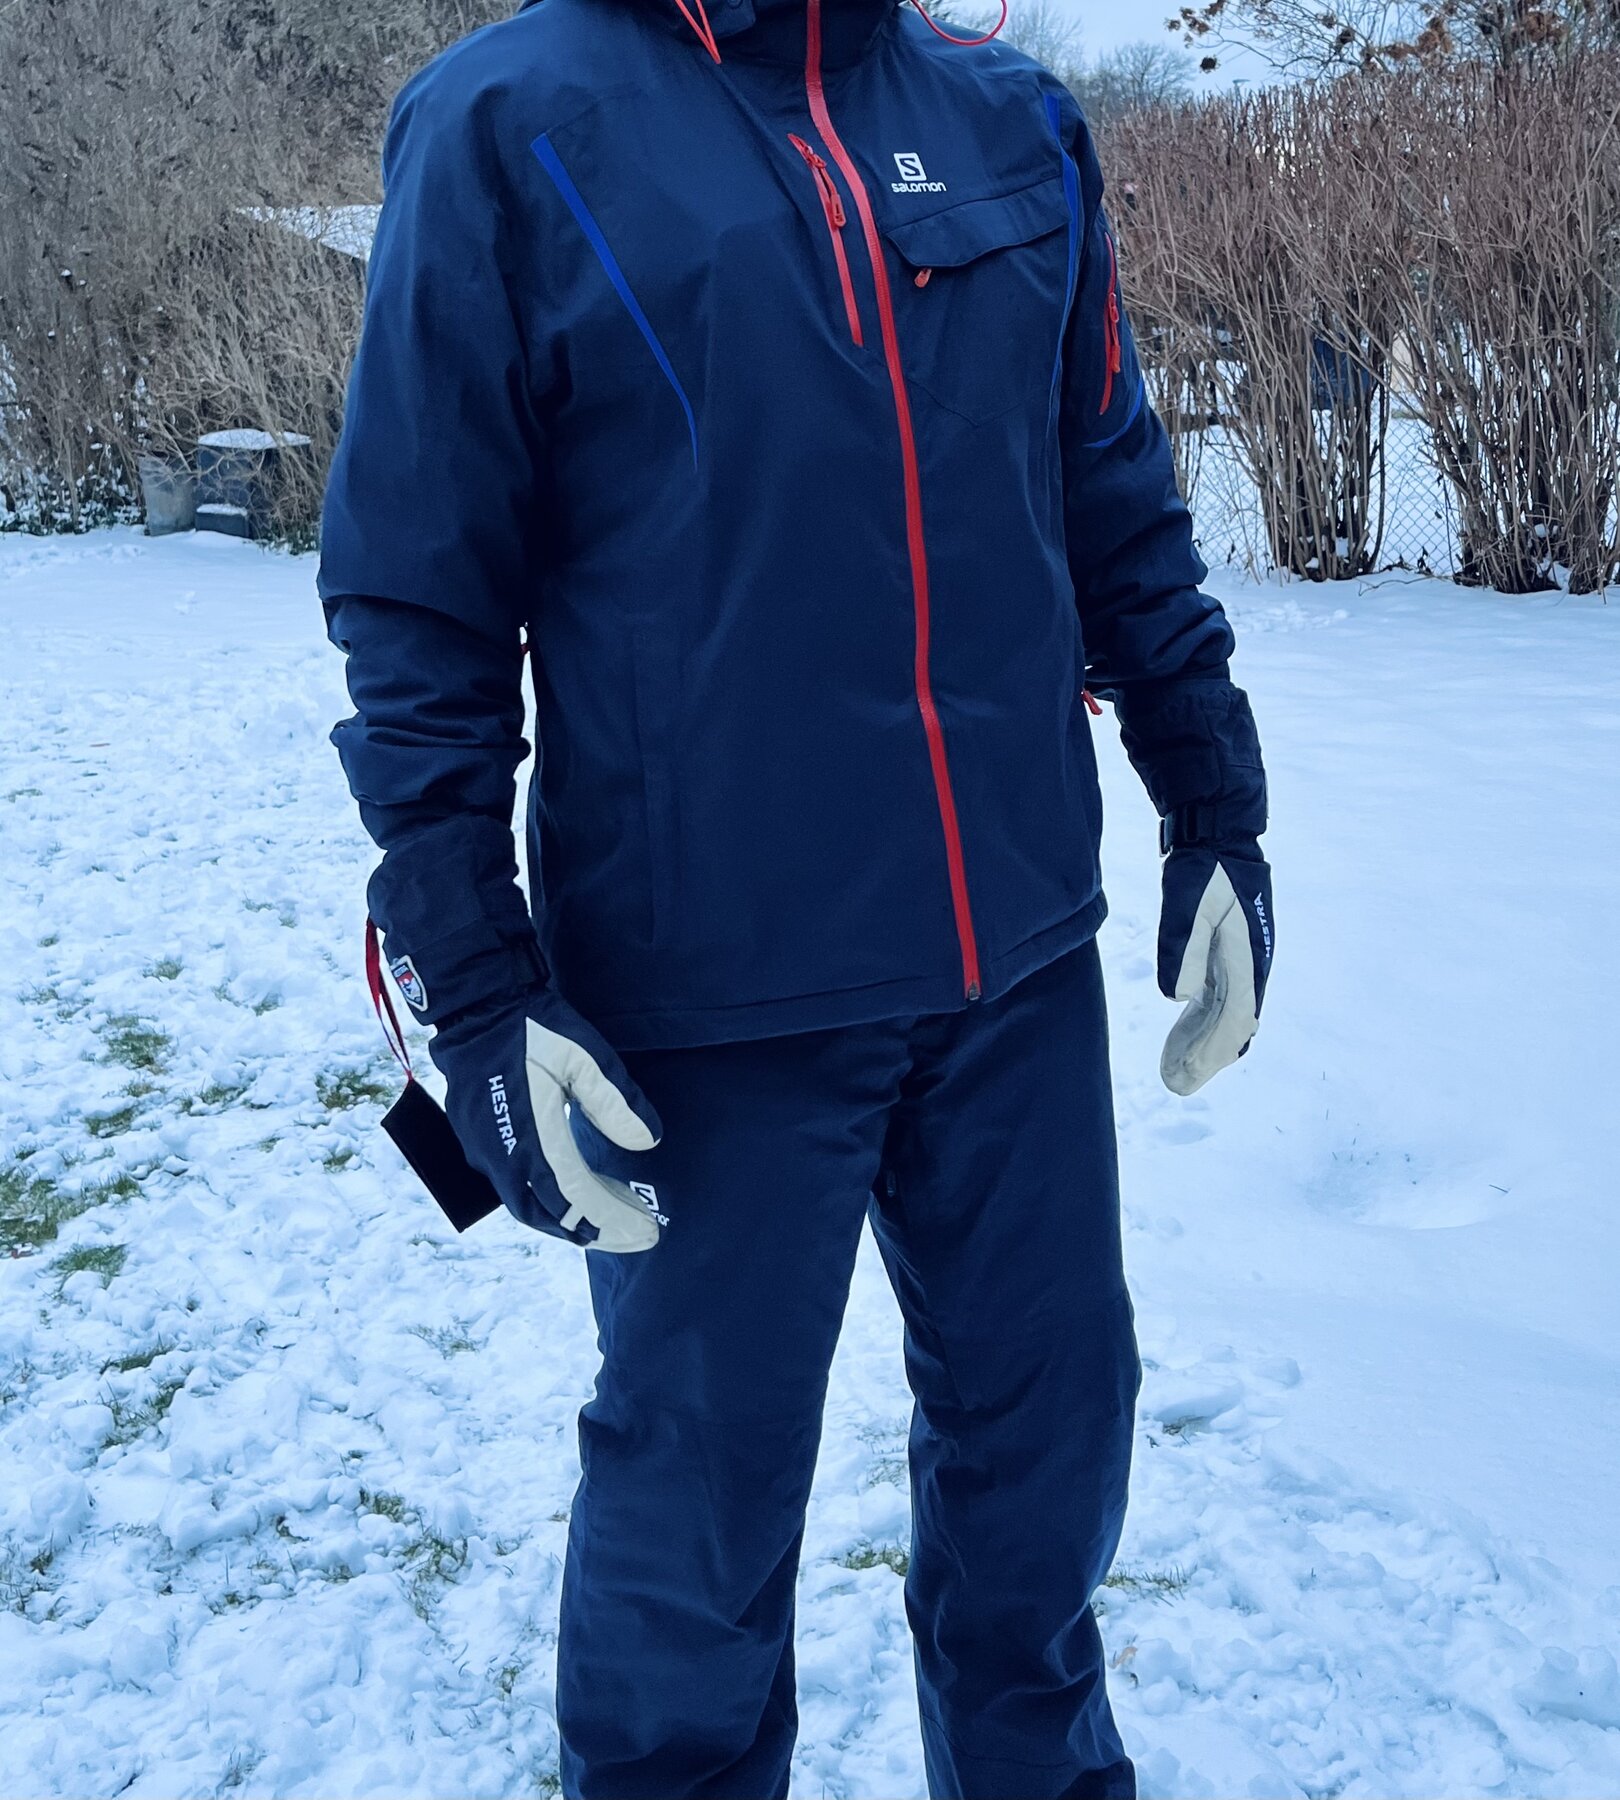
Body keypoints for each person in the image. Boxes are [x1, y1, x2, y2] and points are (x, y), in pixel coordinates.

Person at [319, 0, 1273, 1790]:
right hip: (708, 999)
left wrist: (1214, 805)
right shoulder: (509, 122)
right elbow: (417, 596)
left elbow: (1113, 496)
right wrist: (479, 984)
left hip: (1013, 967)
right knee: (693, 1533)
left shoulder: (1011, 120)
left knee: (1050, 1461)